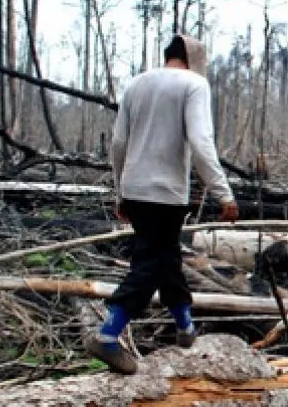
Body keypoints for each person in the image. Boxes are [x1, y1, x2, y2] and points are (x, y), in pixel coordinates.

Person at [85, 34, 239, 374]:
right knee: (150, 263)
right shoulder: (194, 85)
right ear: (194, 60)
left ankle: (185, 327)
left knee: (165, 257)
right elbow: (201, 141)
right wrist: (222, 192)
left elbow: (119, 142)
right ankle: (108, 334)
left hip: (136, 188)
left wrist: (120, 190)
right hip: (167, 193)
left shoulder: (137, 84)